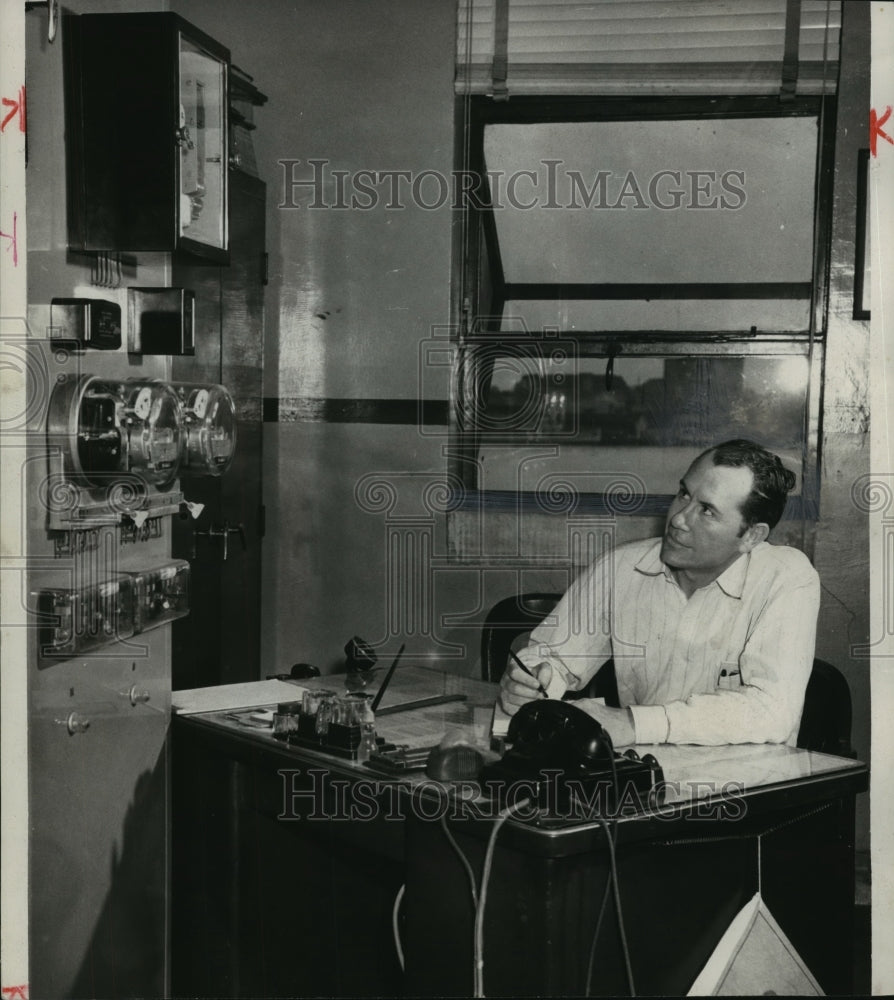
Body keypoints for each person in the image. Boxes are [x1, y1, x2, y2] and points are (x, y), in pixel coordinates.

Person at [498, 439, 820, 747]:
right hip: (642, 783)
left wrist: (633, 723)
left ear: (751, 536)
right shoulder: (621, 567)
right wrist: (531, 682)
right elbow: (550, 657)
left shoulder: (788, 578)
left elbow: (772, 712)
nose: (678, 519)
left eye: (707, 511)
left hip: (744, 792)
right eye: (684, 494)